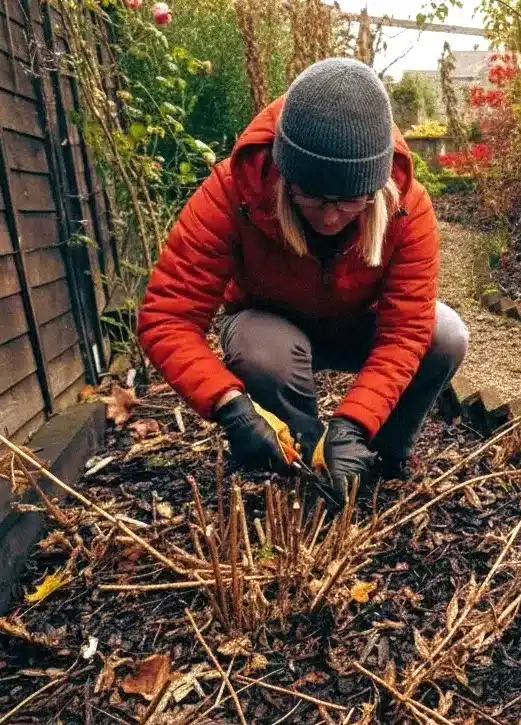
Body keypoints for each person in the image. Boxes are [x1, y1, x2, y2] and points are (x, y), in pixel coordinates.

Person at [137, 58, 469, 492]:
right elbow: (167, 316)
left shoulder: (408, 208)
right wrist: (228, 404)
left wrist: (354, 423)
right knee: (259, 350)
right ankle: (301, 456)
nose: (331, 216)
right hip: (273, 329)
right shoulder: (232, 192)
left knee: (445, 334)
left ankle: (382, 456)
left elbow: (406, 332)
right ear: (285, 176)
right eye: (312, 197)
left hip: (356, 324)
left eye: (352, 201)